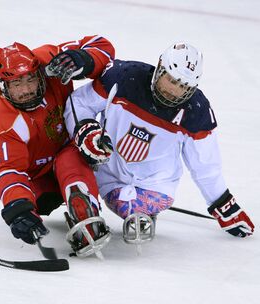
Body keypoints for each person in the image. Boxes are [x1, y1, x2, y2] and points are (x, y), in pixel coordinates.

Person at [65, 42, 254, 242]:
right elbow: (79, 102)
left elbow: (205, 166)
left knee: (133, 207)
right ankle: (86, 206)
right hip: (105, 172)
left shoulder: (197, 110)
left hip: (156, 186)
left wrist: (224, 206)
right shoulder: (124, 76)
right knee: (70, 161)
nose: (174, 91)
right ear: (160, 68)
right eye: (171, 80)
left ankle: (137, 212)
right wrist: (85, 131)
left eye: (184, 87)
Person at [0, 36, 116, 257]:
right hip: (40, 178)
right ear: (3, 86)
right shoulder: (3, 121)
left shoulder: (49, 59)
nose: (26, 89)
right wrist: (19, 207)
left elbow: (102, 46)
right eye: (17, 84)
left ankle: (86, 213)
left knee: (70, 159)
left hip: (74, 153)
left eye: (30, 79)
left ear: (39, 73)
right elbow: (10, 170)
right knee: (29, 205)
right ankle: (68, 196)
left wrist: (83, 59)